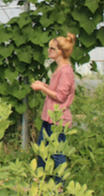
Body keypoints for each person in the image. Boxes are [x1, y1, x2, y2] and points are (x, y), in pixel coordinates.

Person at [30, 32, 76, 185]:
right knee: (42, 148)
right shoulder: (59, 69)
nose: (48, 51)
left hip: (58, 118)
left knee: (57, 153)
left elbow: (61, 97)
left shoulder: (66, 72)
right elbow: (57, 90)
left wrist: (42, 89)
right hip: (49, 116)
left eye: (52, 49)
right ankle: (39, 180)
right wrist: (44, 85)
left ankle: (59, 185)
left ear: (61, 52)